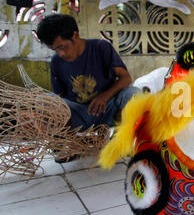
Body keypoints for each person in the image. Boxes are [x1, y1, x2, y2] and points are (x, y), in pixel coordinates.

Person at [36, 14, 139, 161]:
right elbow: (59, 98)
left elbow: (126, 78)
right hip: (81, 113)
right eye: (54, 49)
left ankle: (118, 141)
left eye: (62, 46)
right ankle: (70, 145)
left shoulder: (101, 47)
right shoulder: (56, 62)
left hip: (108, 109)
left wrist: (104, 96)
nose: (61, 53)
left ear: (75, 35)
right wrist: (52, 128)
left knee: (134, 94)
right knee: (45, 101)